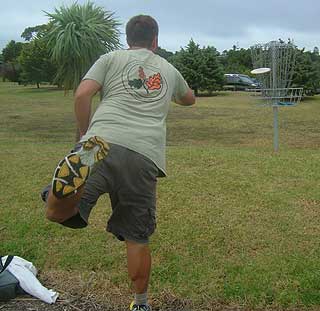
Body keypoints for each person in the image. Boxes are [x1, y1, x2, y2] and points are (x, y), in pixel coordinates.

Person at [42, 14, 195, 311]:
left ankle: (59, 192)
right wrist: (174, 95)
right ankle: (140, 304)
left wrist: (84, 133)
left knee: (57, 213)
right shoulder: (169, 69)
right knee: (137, 235)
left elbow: (83, 94)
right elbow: (189, 99)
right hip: (143, 154)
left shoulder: (110, 58)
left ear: (128, 39)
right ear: (155, 41)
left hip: (95, 144)